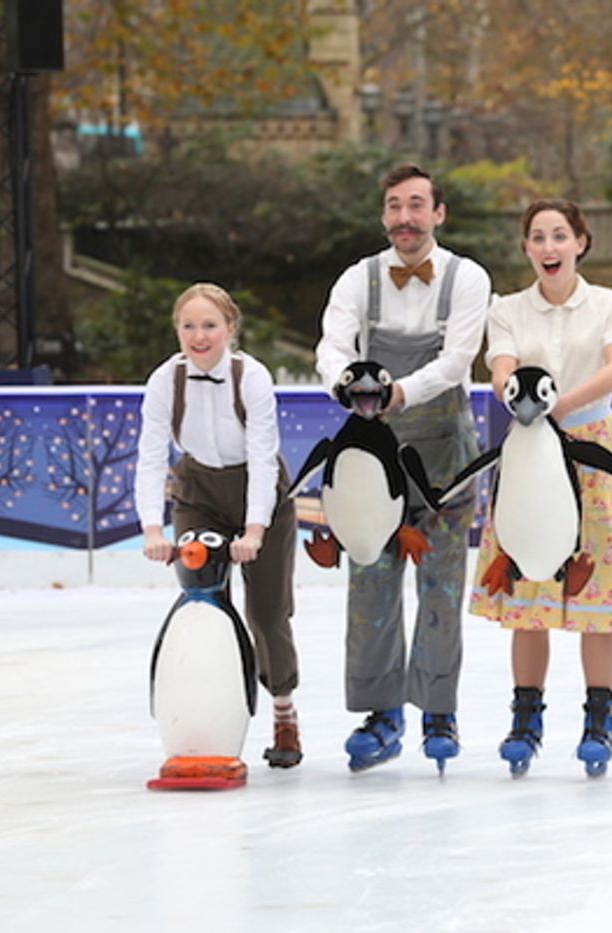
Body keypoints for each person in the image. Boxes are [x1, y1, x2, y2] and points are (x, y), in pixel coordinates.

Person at [314, 164, 491, 772]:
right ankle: (380, 712)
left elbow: (458, 360)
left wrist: (395, 393)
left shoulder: (468, 278)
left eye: (417, 205)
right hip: (373, 457)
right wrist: (343, 381)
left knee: (441, 584)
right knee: (370, 583)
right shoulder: (356, 280)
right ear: (383, 215)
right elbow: (332, 344)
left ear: (438, 214)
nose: (405, 218)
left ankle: (439, 710)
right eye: (395, 206)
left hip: (445, 455)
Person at [469, 199, 612, 777]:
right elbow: (500, 367)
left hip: (593, 447)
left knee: (597, 600)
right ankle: (526, 717)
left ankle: (600, 716)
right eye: (538, 237)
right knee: (530, 596)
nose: (549, 247)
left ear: (580, 243)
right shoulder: (507, 309)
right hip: (529, 456)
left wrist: (554, 405)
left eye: (560, 236)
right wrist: (516, 400)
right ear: (526, 248)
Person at [135, 282, 302, 768]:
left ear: (230, 328)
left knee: (268, 614)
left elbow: (262, 455)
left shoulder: (251, 377)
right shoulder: (166, 380)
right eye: (188, 326)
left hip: (260, 490)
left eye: (209, 325)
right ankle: (210, 716)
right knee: (204, 605)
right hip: (198, 494)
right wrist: (152, 528)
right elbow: (149, 456)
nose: (199, 336)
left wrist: (254, 529)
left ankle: (283, 710)